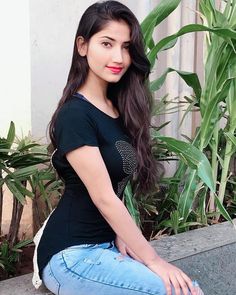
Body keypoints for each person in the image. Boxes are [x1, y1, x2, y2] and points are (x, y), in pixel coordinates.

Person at [32, 1, 204, 295]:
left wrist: (119, 234)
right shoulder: (75, 114)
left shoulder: (117, 109)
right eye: (107, 43)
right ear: (83, 46)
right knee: (182, 292)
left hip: (105, 246)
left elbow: (115, 186)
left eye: (126, 47)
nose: (119, 57)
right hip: (72, 255)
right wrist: (154, 260)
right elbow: (103, 197)